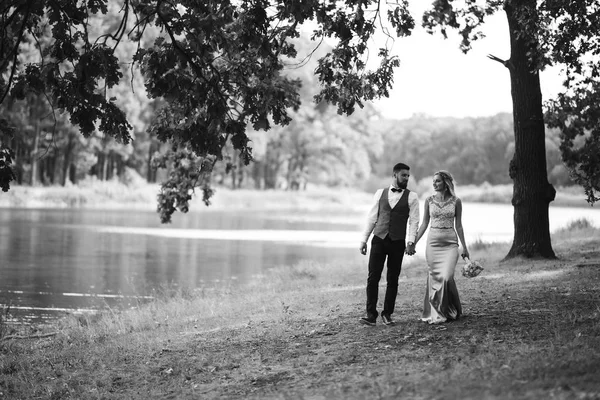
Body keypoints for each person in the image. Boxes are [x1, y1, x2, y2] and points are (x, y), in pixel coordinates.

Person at [359, 163, 420, 326]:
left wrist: (410, 242)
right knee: (373, 278)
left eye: (408, 175)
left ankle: (387, 314)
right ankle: (371, 314)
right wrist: (364, 240)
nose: (406, 178)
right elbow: (372, 218)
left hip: (398, 242)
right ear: (395, 176)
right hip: (379, 239)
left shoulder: (412, 197)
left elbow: (414, 222)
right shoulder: (380, 193)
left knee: (393, 279)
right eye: (403, 175)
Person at [414, 170, 469, 324]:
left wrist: (464, 247)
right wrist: (413, 242)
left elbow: (459, 226)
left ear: (446, 183)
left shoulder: (456, 201)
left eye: (437, 181)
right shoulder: (429, 200)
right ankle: (439, 311)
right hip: (433, 245)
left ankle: (448, 308)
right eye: (434, 181)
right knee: (435, 277)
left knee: (446, 276)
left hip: (451, 244)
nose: (434, 184)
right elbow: (424, 224)